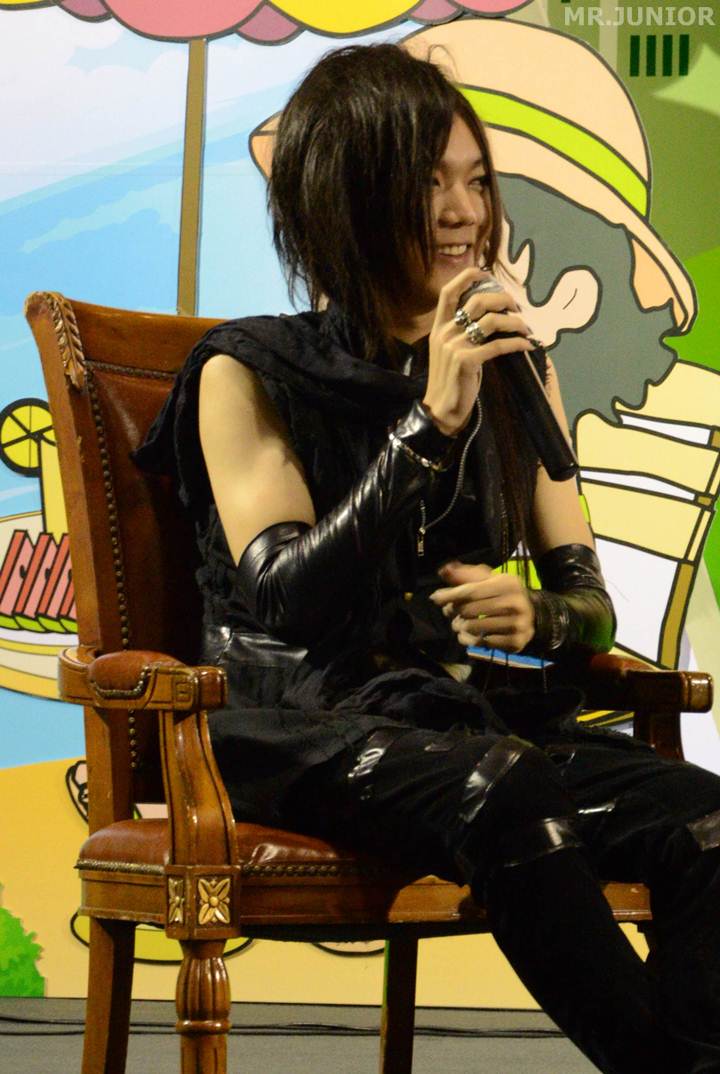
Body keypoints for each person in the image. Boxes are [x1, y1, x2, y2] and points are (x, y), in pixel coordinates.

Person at [135, 44, 720, 1074]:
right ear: (346, 199)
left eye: (476, 181)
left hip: (457, 722)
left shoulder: (515, 366)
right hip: (298, 727)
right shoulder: (245, 370)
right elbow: (286, 600)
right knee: (505, 785)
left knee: (706, 819)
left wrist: (542, 617)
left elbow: (589, 600)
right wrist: (430, 426)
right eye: (428, 183)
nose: (464, 213)